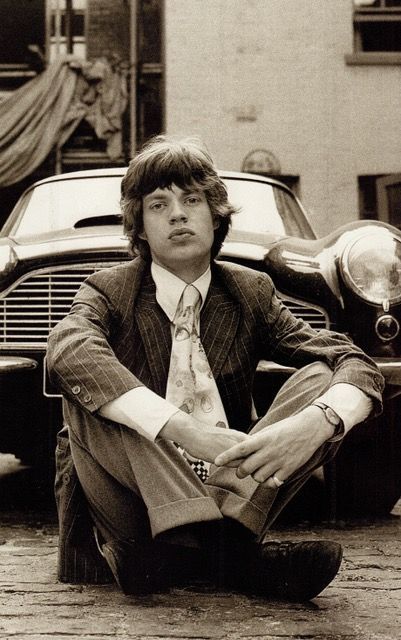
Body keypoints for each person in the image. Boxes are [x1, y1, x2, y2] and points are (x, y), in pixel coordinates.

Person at [47, 135, 384, 601]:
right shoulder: (108, 290)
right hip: (133, 503)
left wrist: (316, 422)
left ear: (215, 216)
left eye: (192, 200)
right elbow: (67, 350)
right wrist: (185, 430)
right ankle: (235, 558)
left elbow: (351, 359)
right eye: (158, 204)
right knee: (87, 386)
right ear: (140, 228)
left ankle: (199, 552)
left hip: (233, 492)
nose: (178, 214)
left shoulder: (249, 291)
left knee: (322, 378)